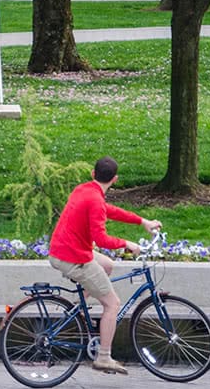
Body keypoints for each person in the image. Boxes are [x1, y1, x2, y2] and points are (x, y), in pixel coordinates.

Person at [48, 156, 162, 376]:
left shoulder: (84, 190)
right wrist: (126, 244)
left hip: (64, 250)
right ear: (115, 179)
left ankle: (77, 309)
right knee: (112, 304)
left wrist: (142, 221)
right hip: (73, 257)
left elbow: (109, 210)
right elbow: (101, 240)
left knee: (107, 266)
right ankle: (103, 357)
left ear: (93, 174)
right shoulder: (95, 200)